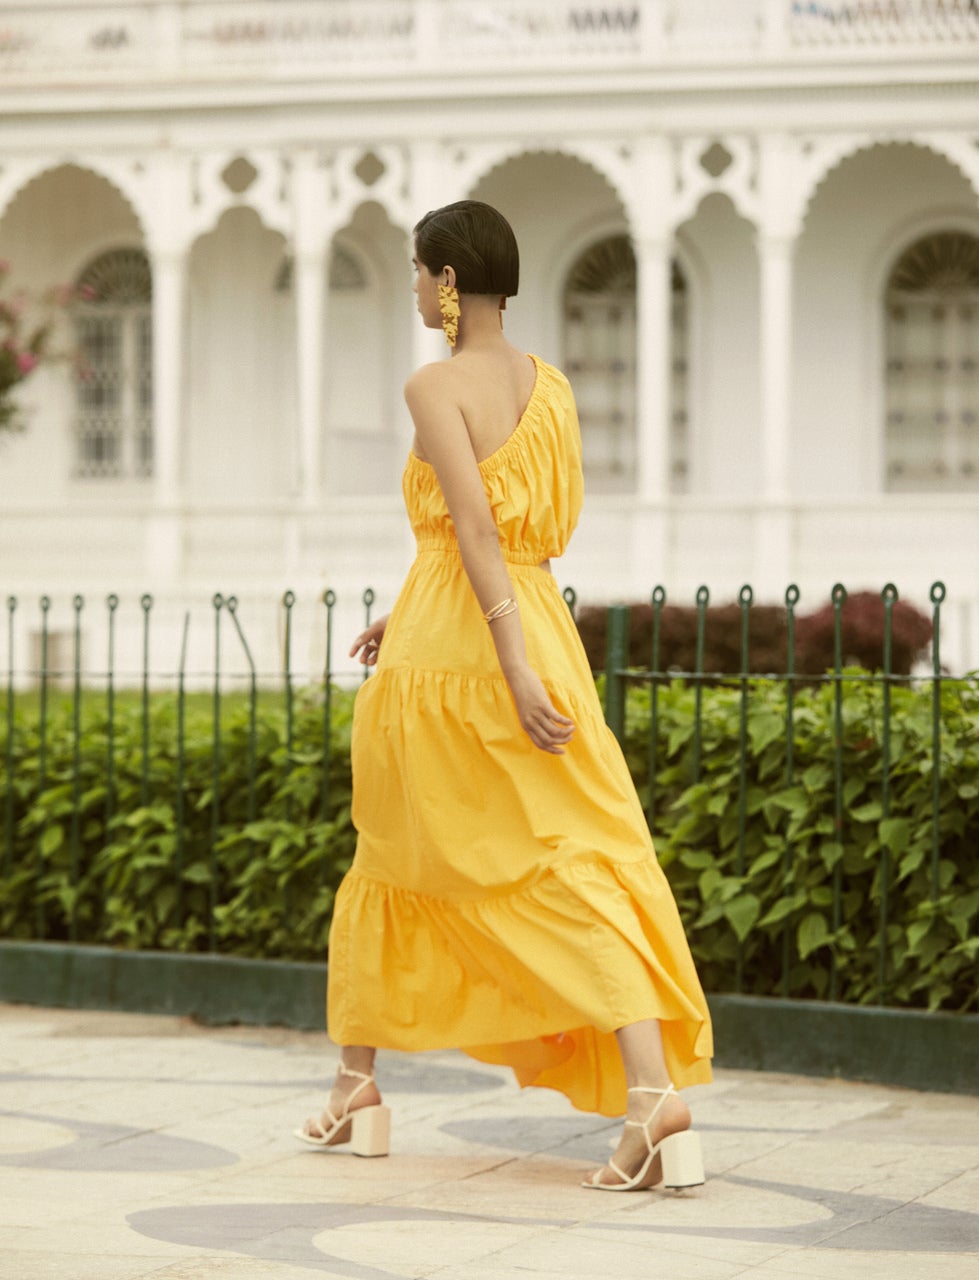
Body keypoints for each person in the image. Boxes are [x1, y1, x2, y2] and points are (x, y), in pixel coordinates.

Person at [295, 200, 712, 1191]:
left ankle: (369, 1084)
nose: (413, 287)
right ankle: (645, 1090)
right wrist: (430, 620)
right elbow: (509, 535)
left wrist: (502, 659)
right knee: (571, 852)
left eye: (416, 270)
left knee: (405, 856)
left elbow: (471, 528)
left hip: (473, 649)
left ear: (445, 279)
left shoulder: (432, 383)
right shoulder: (549, 384)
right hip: (526, 622)